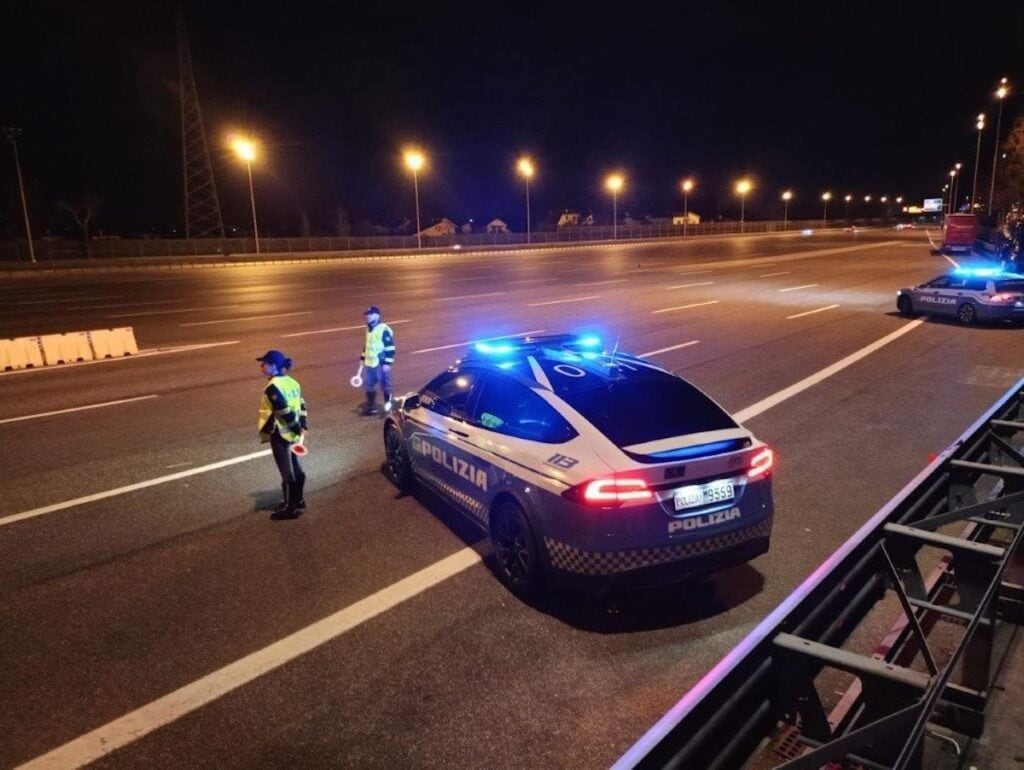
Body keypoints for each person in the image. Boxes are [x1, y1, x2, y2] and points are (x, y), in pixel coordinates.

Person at [256, 350, 308, 519]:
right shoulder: (293, 383)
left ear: (273, 366)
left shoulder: (273, 387)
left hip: (280, 432)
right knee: (295, 466)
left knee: (286, 472)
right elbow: (301, 404)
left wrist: (293, 427)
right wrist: (302, 426)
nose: (261, 366)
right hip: (293, 432)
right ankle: (298, 499)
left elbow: (283, 410)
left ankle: (290, 508)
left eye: (264, 364)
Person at [359, 305, 396, 415]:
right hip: (370, 363)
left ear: (377, 315)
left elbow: (390, 348)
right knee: (368, 385)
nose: (368, 317)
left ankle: (389, 409)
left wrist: (387, 363)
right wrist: (362, 357)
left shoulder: (383, 330)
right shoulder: (368, 329)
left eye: (370, 314)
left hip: (380, 363)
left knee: (385, 387)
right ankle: (371, 406)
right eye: (367, 315)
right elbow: (367, 345)